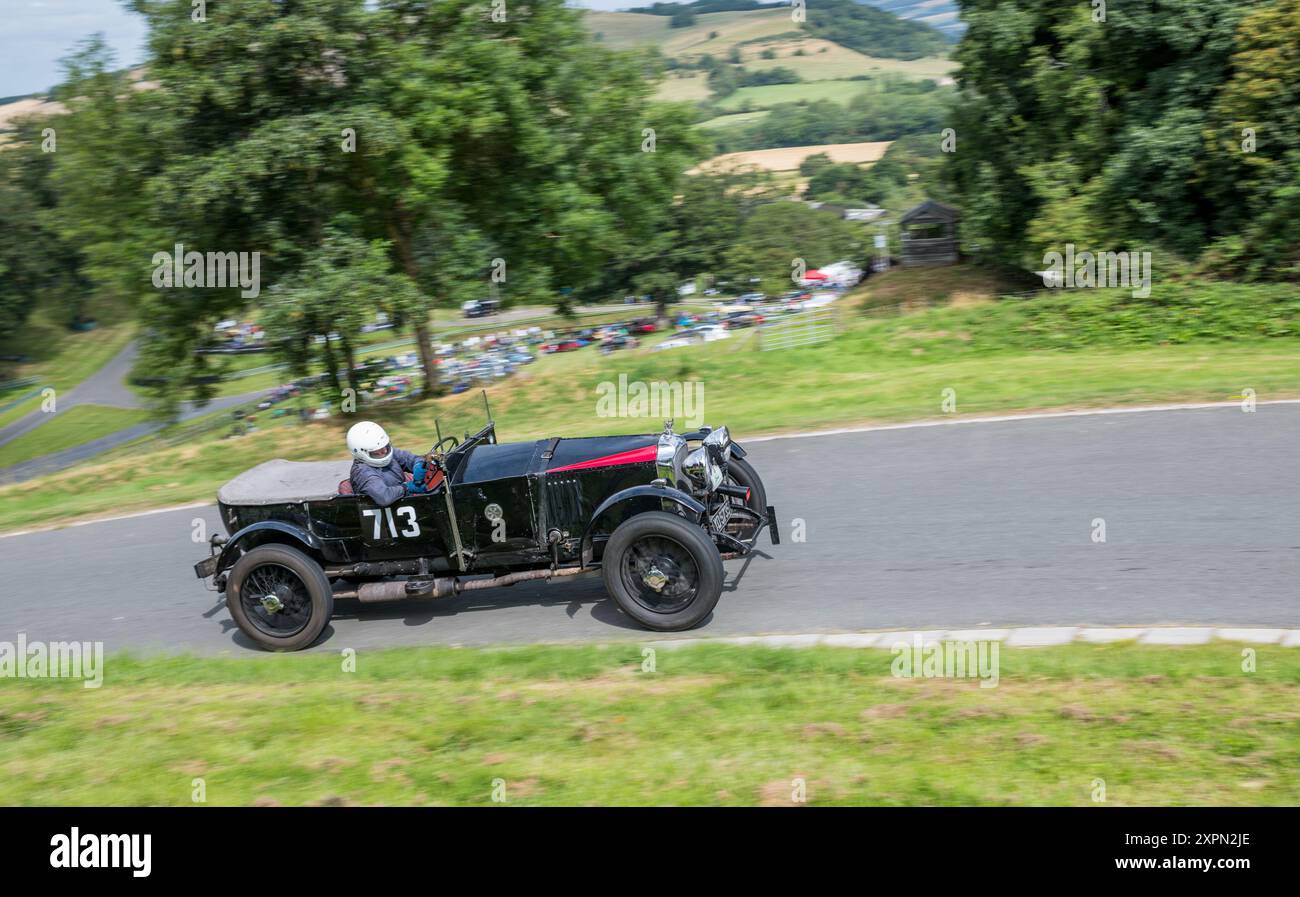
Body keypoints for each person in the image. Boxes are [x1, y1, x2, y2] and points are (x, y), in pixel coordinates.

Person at [346, 421, 433, 506]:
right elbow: (384, 497)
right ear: (361, 453)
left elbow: (408, 458)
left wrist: (418, 464)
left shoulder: (386, 452)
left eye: (385, 447)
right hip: (390, 509)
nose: (384, 452)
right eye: (377, 451)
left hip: (403, 501)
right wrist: (406, 488)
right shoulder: (363, 473)